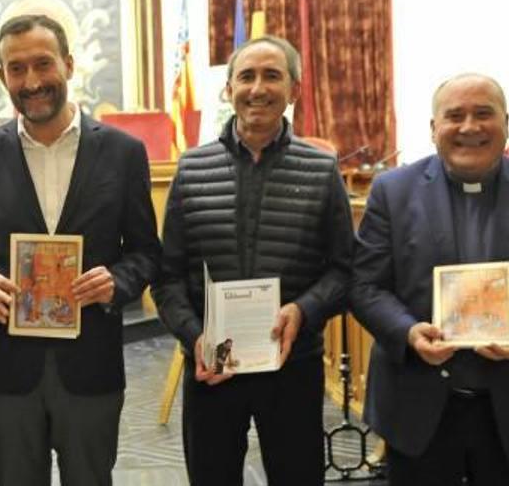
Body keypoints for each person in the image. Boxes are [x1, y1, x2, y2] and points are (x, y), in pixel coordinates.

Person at [0, 14, 161, 486]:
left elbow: (146, 252)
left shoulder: (124, 153)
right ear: (3, 75)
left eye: (43, 64)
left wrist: (117, 282)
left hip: (90, 361)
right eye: (16, 68)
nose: (32, 81)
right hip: (8, 366)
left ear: (68, 64)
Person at [153, 35, 354, 486]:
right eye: (246, 76)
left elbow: (345, 270)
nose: (257, 88)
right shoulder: (191, 169)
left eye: (271, 76)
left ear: (294, 90)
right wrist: (195, 337)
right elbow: (166, 278)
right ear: (229, 89)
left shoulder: (322, 171)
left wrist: (303, 310)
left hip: (293, 365)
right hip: (211, 368)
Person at [350, 73, 509, 485]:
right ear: (434, 128)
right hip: (418, 407)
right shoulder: (392, 191)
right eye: (454, 116)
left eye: (483, 114)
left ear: (505, 123)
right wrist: (407, 332)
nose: (469, 127)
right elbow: (365, 285)